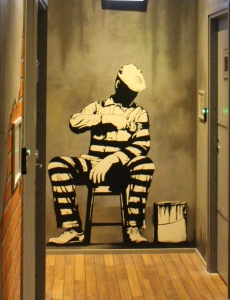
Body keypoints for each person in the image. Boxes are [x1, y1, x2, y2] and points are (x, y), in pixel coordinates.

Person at [48, 64, 155, 245]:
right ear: (118, 85)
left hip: (121, 169)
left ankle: (133, 228)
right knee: (57, 165)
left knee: (145, 165)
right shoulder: (98, 107)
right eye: (129, 91)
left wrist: (112, 159)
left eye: (135, 92)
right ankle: (73, 228)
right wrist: (106, 119)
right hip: (92, 165)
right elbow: (75, 122)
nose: (132, 96)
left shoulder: (139, 114)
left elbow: (141, 145)